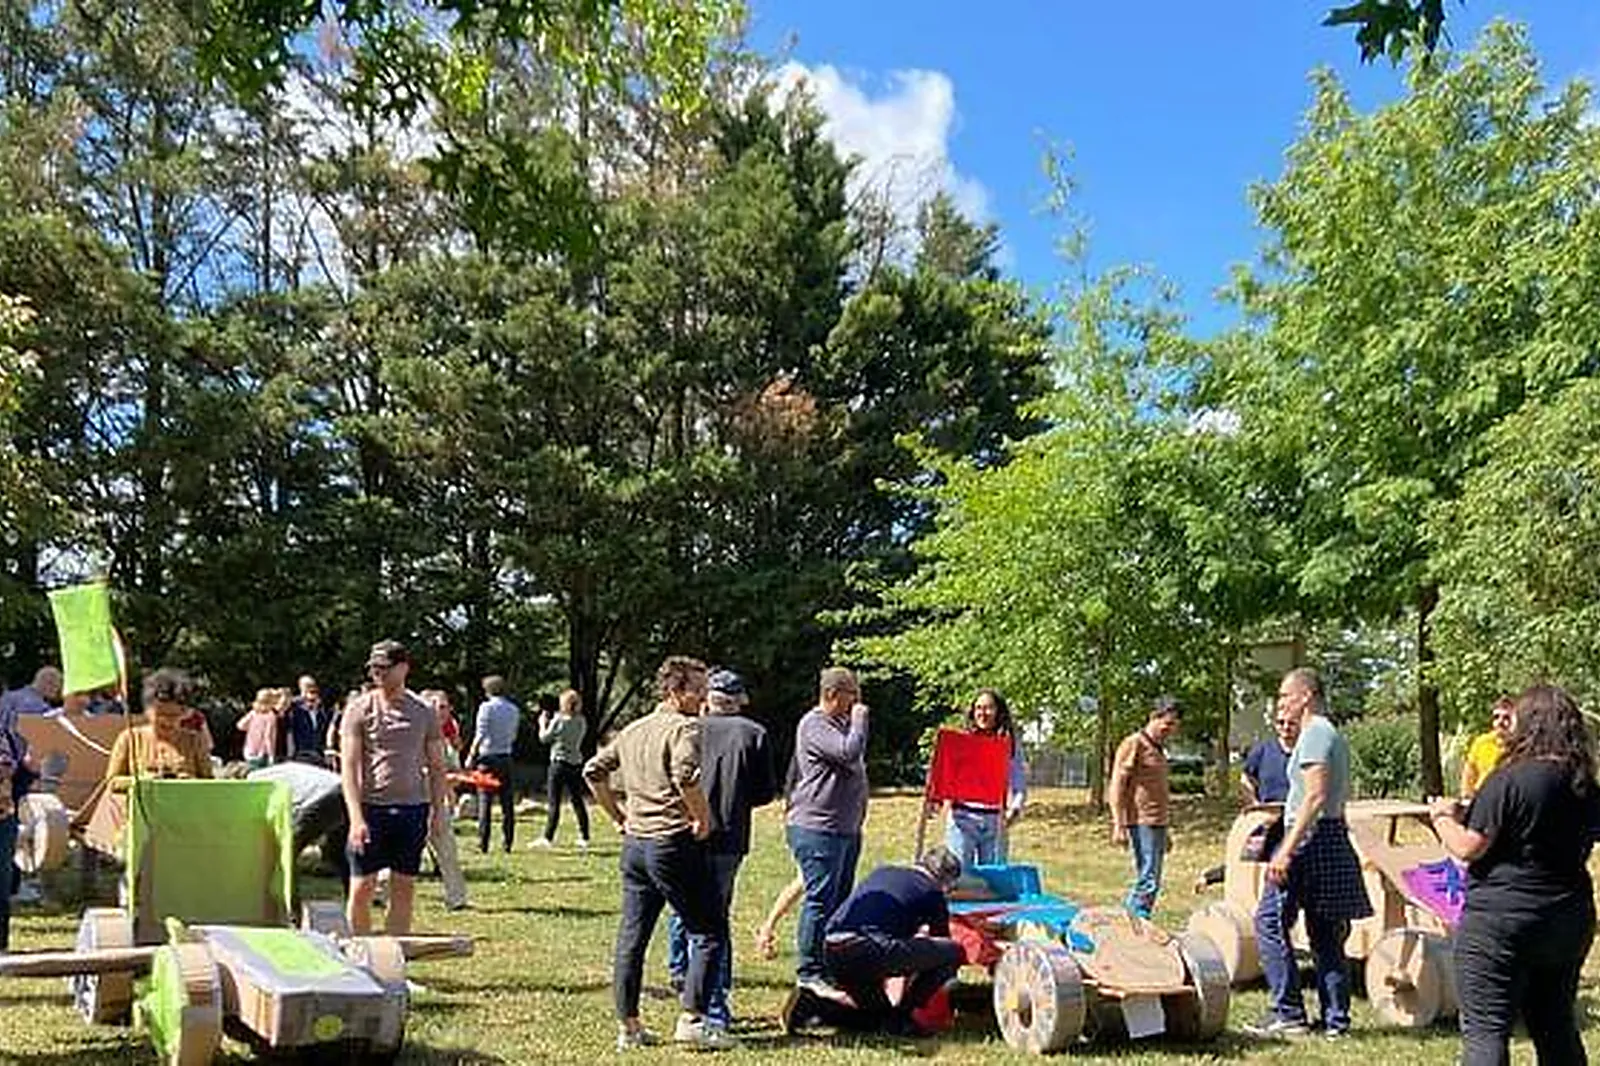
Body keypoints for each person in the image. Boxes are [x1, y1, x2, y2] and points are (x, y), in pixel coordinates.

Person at [1431, 684, 1599, 1066]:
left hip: (1500, 921)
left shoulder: (1509, 778)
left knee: (1486, 1031)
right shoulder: (1584, 783)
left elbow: (1468, 847)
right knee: (1555, 1025)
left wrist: (1441, 818)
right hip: (1567, 919)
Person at [583, 656, 734, 1051]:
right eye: (697, 691)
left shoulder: (634, 729)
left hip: (636, 846)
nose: (703, 700)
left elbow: (593, 771)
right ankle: (693, 1021)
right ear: (674, 692)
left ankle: (629, 1028)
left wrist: (618, 816)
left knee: (632, 936)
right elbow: (686, 775)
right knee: (708, 929)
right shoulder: (684, 727)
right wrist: (702, 818)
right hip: (671, 842)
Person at [1246, 667, 1371, 1040]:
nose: (1282, 704)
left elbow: (1314, 796)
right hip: (1327, 834)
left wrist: (1285, 849)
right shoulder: (1327, 733)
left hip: (1310, 838)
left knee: (1269, 922)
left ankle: (1289, 1014)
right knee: (1324, 932)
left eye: (1286, 696)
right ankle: (1336, 1021)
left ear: (1305, 696)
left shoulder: (1316, 734)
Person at [664, 669, 778, 1029]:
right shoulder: (754, 734)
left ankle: (680, 971)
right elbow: (764, 792)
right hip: (729, 834)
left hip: (684, 830)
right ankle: (714, 1001)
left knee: (682, 906)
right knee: (715, 920)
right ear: (738, 700)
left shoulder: (686, 729)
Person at [782, 847, 966, 1037]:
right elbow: (942, 942)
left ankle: (811, 1006)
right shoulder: (932, 891)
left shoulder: (883, 871)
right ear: (945, 880)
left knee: (876, 1017)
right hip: (869, 949)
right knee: (953, 953)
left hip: (834, 948)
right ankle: (904, 1016)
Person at [340, 640, 449, 936]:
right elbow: (348, 768)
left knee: (404, 887)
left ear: (403, 668)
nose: (378, 674)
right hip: (370, 808)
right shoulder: (358, 709)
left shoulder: (424, 711)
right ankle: (359, 959)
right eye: (374, 669)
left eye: (384, 669)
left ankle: (394, 958)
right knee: (362, 886)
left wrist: (439, 812)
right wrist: (355, 818)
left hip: (412, 809)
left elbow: (438, 766)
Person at [786, 666, 870, 1003]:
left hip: (846, 829)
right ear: (832, 695)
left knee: (839, 901)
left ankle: (831, 966)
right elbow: (848, 753)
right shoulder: (815, 724)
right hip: (817, 827)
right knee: (819, 900)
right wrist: (861, 720)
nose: (857, 702)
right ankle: (809, 973)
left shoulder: (843, 725)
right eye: (852, 694)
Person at [1195, 702, 1300, 892]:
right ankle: (1209, 877)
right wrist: (1253, 803)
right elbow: (1245, 778)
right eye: (1281, 723)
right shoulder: (1263, 750)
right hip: (1266, 817)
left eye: (1291, 723)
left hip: (1296, 817)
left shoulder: (1306, 751)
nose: (1285, 727)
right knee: (1250, 858)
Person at [1108, 699, 1180, 918]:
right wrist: (1118, 824)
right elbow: (1117, 785)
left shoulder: (1158, 750)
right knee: (1148, 881)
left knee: (1151, 879)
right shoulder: (1134, 743)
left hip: (1157, 822)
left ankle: (1136, 923)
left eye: (1174, 726)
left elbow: (1157, 792)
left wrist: (1165, 829)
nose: (1169, 730)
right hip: (1140, 821)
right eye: (1166, 724)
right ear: (1153, 717)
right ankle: (1131, 925)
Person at [941, 688, 1026, 870]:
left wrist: (1015, 809)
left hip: (995, 821)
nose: (983, 713)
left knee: (995, 884)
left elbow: (1018, 781)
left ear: (998, 712)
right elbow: (945, 775)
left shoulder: (1009, 744)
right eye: (979, 708)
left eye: (988, 708)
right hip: (962, 819)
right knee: (959, 880)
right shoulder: (962, 741)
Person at [104, 669, 215, 783]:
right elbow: (112, 781)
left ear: (184, 713)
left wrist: (188, 782)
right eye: (160, 715)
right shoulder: (130, 739)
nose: (167, 721)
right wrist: (143, 782)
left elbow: (209, 784)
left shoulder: (195, 741)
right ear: (147, 711)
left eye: (173, 715)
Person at [419, 689, 468, 911]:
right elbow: (414, 770)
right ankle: (378, 892)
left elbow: (453, 769)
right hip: (416, 802)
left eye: (447, 707)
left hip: (439, 803)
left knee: (447, 850)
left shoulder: (446, 738)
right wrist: (444, 777)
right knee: (401, 852)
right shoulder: (415, 735)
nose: (446, 711)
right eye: (441, 707)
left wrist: (455, 778)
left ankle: (457, 898)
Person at [466, 674, 519, 854]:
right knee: (507, 802)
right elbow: (513, 735)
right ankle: (508, 842)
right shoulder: (513, 709)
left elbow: (480, 733)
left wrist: (471, 755)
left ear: (487, 690)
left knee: (485, 802)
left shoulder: (486, 708)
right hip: (506, 757)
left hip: (487, 758)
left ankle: (483, 843)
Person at [535, 688, 590, 848]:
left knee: (554, 802)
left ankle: (548, 837)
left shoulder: (559, 720)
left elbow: (544, 738)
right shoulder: (581, 721)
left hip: (559, 763)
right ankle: (584, 836)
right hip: (575, 763)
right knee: (577, 801)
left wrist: (542, 724)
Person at [1460, 697, 1516, 800]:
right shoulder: (1481, 743)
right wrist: (1467, 797)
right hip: (1481, 797)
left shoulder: (1519, 746)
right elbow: (1469, 774)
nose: (1500, 721)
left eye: (1506, 718)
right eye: (1496, 717)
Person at [287, 675, 335, 766]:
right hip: (301, 752)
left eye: (314, 689)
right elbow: (290, 732)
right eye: (308, 687)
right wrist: (291, 753)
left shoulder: (322, 710)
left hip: (318, 753)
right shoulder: (294, 707)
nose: (313, 694)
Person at [237, 687, 286, 770]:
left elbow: (240, 726)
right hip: (262, 753)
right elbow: (268, 736)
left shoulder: (254, 714)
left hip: (249, 750)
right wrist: (271, 755)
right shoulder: (270, 716)